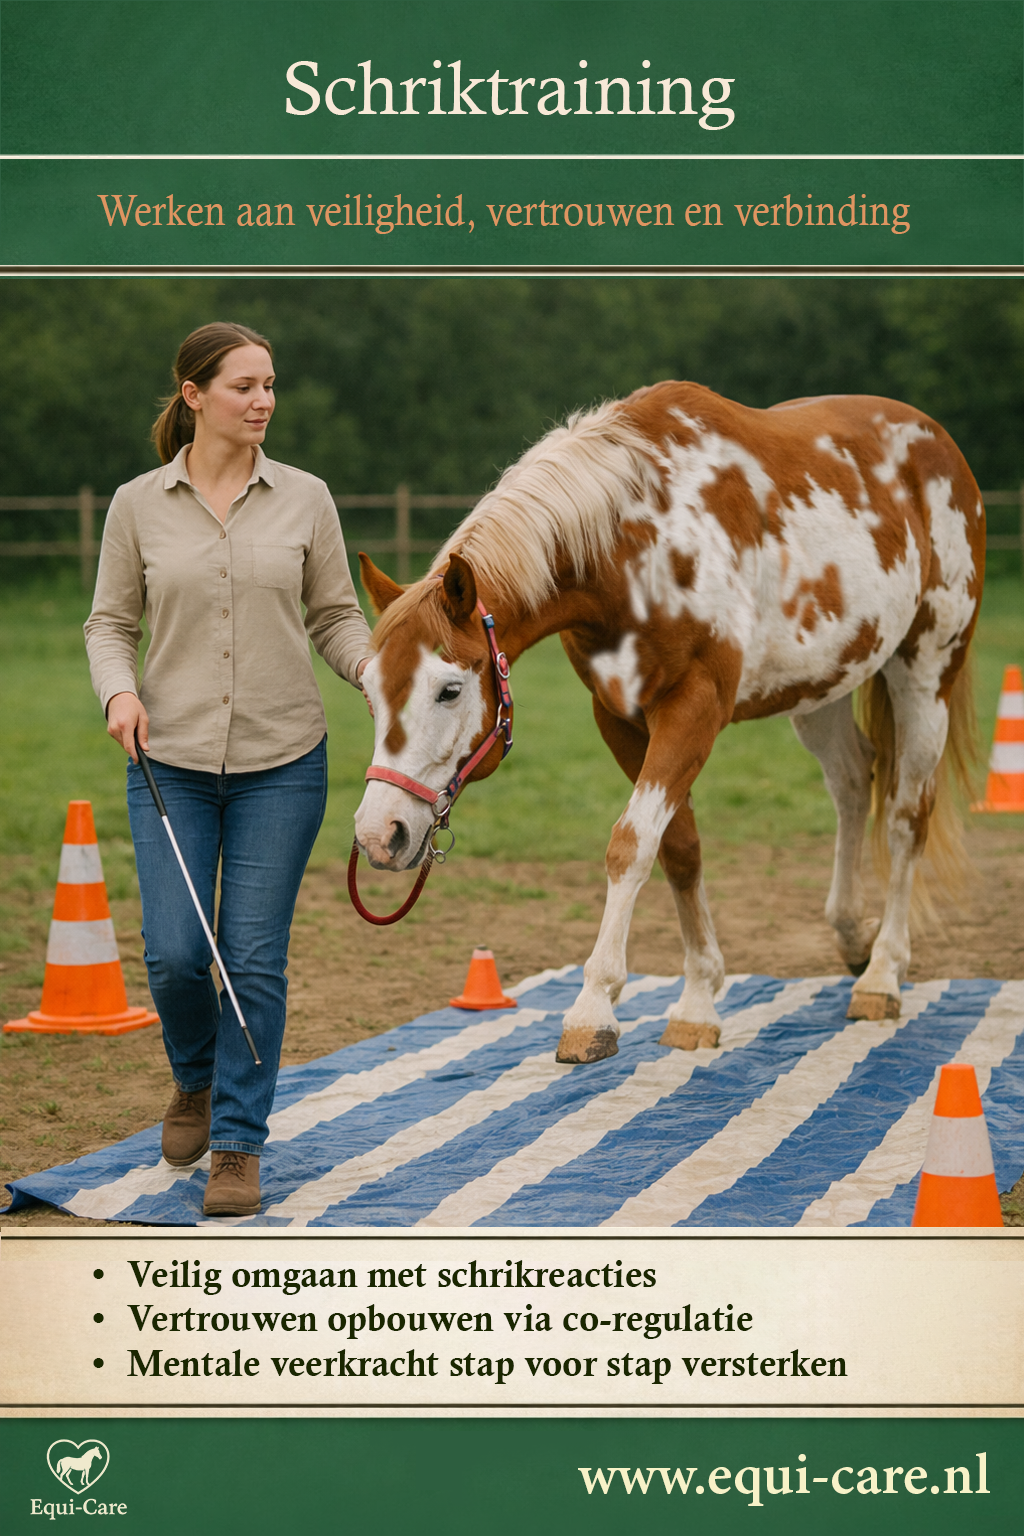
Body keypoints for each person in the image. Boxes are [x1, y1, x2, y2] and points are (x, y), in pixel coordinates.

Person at [84, 322, 373, 1217]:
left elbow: (334, 614)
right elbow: (108, 625)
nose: (263, 402)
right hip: (164, 759)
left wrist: (371, 670)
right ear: (195, 394)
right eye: (245, 386)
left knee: (251, 958)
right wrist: (117, 695)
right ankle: (194, 1079)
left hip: (282, 762)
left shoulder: (306, 498)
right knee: (174, 956)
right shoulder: (137, 504)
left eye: (271, 385)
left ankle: (238, 1147)